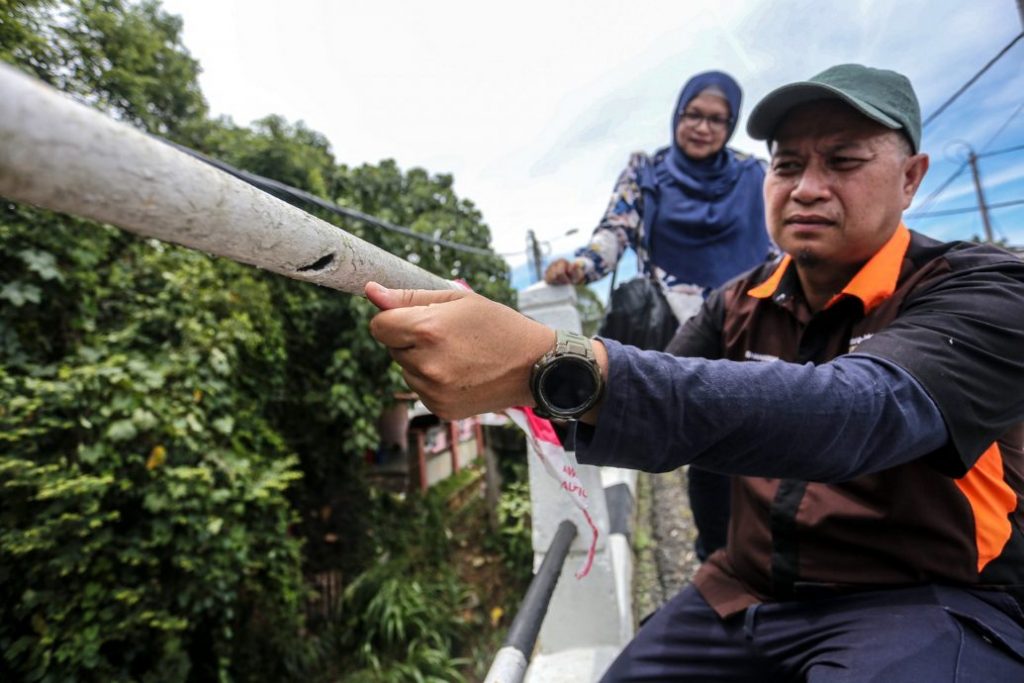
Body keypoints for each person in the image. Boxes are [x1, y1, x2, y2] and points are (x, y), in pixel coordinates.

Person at [366, 63, 1024, 680]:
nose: (807, 187)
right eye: (787, 164)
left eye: (844, 161)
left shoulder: (983, 289)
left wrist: (548, 360)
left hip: (922, 598)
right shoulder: (734, 301)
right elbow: (647, 398)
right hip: (748, 590)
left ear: (912, 177)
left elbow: (858, 410)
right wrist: (494, 370)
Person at [547, 70, 773, 560]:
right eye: (694, 114)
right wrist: (579, 267)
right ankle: (720, 562)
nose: (702, 127)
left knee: (770, 444)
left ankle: (776, 562)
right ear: (677, 113)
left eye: (718, 119)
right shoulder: (645, 173)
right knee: (711, 449)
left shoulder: (755, 174)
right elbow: (614, 232)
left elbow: (782, 242)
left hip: (758, 323)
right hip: (688, 331)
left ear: (731, 125)